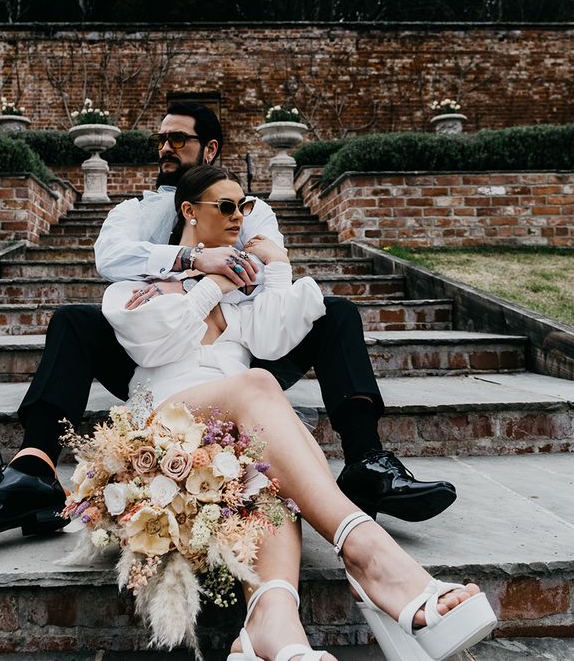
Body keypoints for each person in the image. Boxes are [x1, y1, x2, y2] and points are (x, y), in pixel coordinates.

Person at [0, 101, 455, 543]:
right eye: (162, 140)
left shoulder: (251, 208)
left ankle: (366, 461)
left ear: (210, 147)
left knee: (335, 313)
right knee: (73, 322)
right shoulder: (135, 209)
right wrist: (194, 261)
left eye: (179, 140)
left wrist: (250, 266)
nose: (165, 148)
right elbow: (111, 258)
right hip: (155, 348)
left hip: (243, 344)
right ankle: (32, 471)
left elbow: (270, 264)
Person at [100, 165, 496, 661]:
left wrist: (278, 265)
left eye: (244, 207)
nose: (238, 217)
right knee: (260, 386)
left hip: (227, 436)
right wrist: (212, 282)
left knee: (268, 476)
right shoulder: (138, 286)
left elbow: (276, 336)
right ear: (189, 211)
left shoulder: (244, 293)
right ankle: (369, 556)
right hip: (162, 430)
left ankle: (273, 625)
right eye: (226, 206)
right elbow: (157, 344)